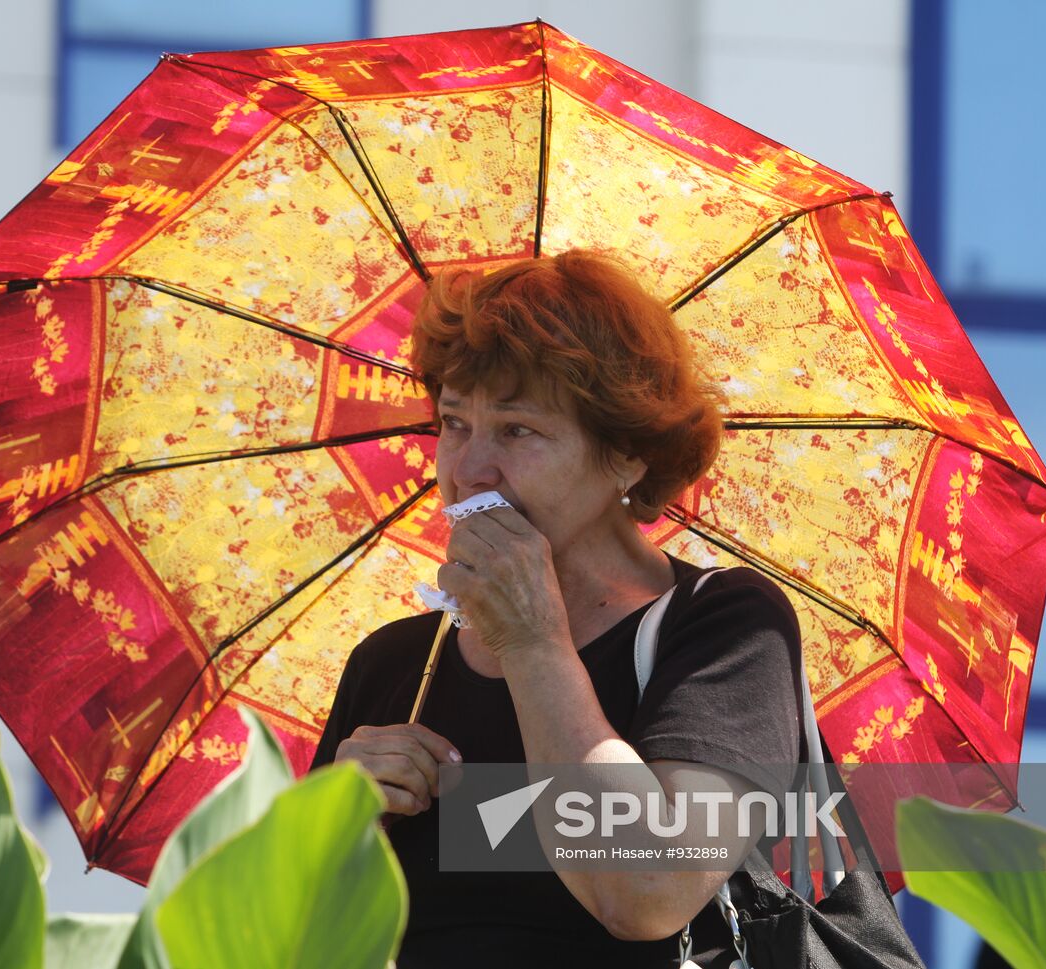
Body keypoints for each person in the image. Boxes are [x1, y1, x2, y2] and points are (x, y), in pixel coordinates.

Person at [309, 249, 806, 967]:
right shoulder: (391, 664)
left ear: (626, 455)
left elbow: (646, 889)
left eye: (518, 430)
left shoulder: (725, 623)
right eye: (453, 422)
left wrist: (534, 641)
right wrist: (329, 827)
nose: (469, 469)